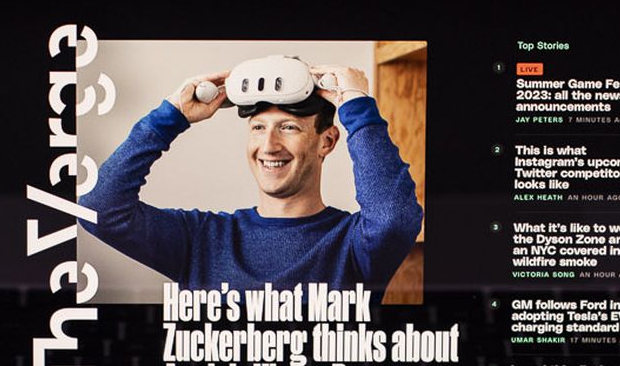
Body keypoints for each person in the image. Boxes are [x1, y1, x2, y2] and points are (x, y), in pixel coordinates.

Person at [81, 62, 424, 292]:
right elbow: (99, 208)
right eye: (258, 127)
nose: (269, 145)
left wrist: (358, 105)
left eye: (288, 128)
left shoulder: (354, 243)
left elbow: (395, 219)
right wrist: (170, 116)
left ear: (327, 141)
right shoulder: (202, 239)